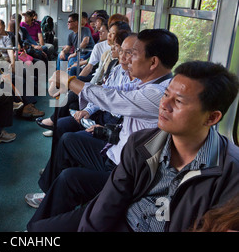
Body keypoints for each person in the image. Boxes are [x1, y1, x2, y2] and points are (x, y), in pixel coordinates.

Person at [27, 29, 179, 212]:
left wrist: (70, 81)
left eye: (134, 54)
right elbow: (113, 90)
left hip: (125, 171)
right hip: (116, 150)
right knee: (69, 140)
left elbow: (113, 98)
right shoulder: (142, 83)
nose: (128, 59)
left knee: (70, 178)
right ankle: (50, 192)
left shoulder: (159, 94)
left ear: (153, 62)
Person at [77, 61, 239, 232]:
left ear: (211, 118)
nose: (164, 105)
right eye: (166, 95)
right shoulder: (142, 143)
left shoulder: (231, 173)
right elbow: (108, 203)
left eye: (178, 102)